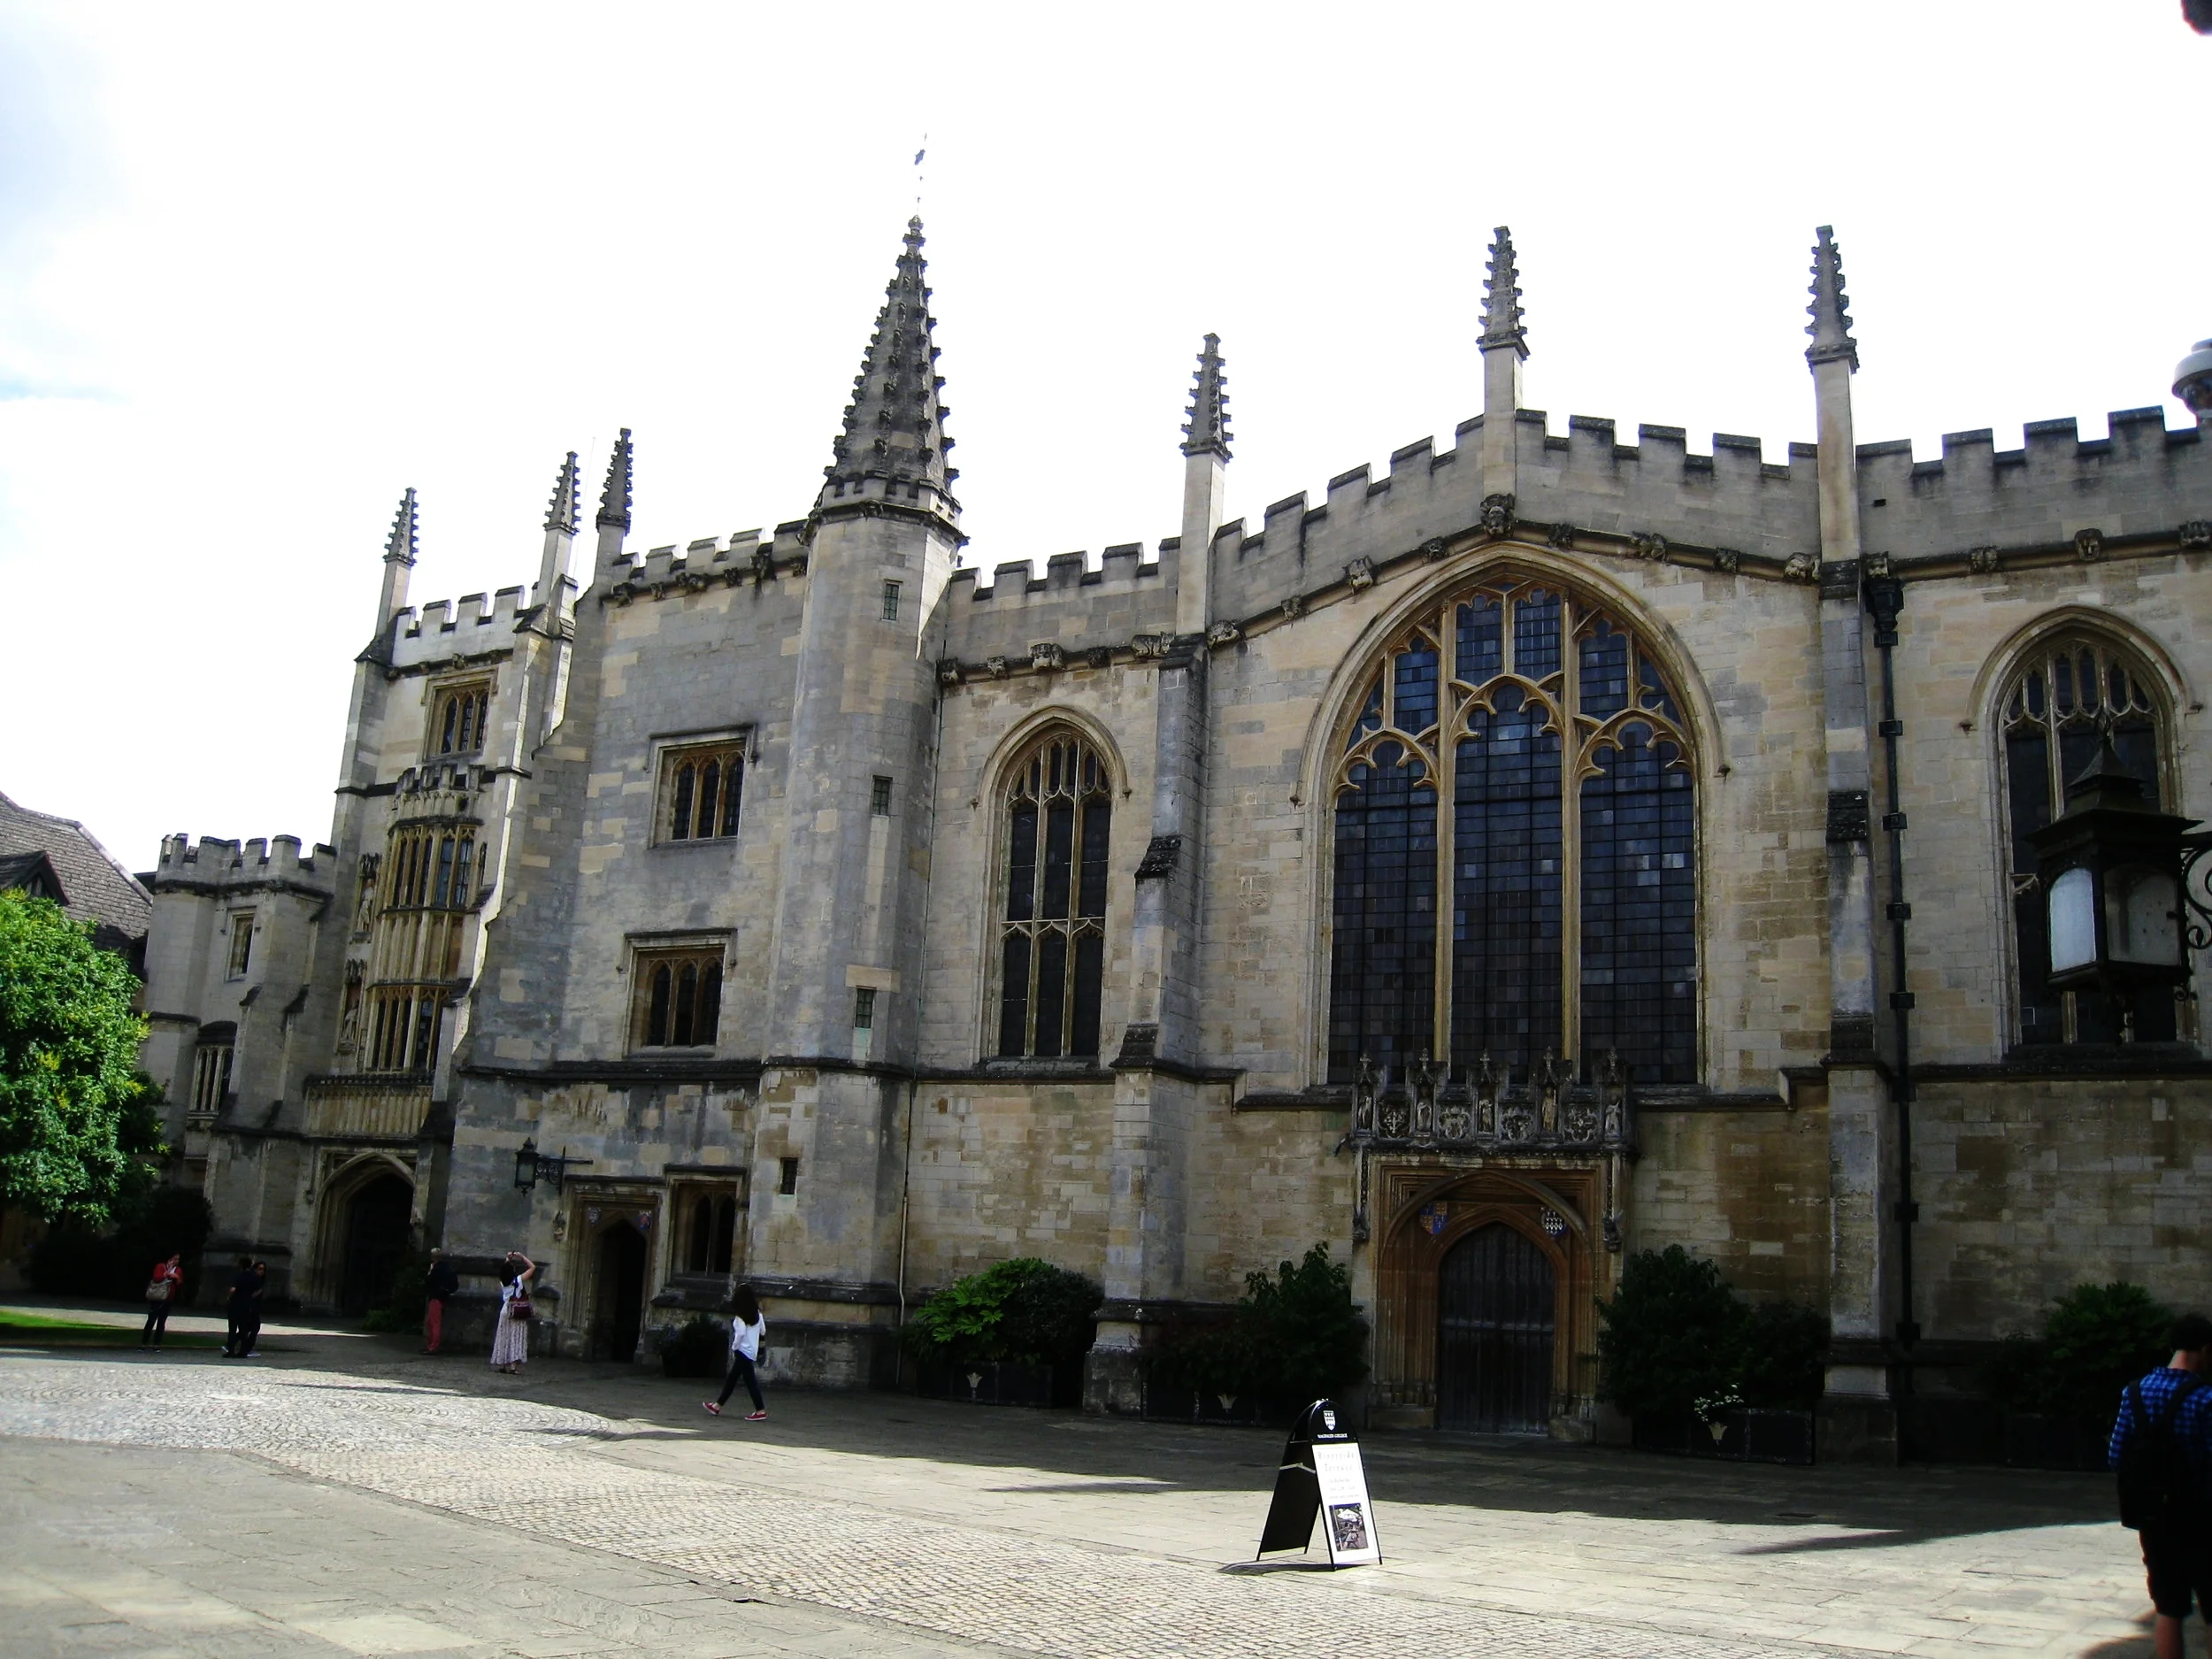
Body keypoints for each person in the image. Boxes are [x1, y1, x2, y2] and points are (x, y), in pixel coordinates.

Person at [2110, 1312, 2212, 1659]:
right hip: (2200, 1517)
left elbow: (2116, 1454)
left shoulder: (2134, 1392)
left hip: (2154, 1517)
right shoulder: (2205, 1398)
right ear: (2204, 1349)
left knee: (2168, 1607)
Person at [703, 1284, 767, 1421]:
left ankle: (760, 1410)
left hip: (742, 1351)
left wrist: (734, 1347)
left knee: (750, 1382)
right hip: (752, 1351)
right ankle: (717, 1405)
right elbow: (763, 1331)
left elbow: (740, 1334)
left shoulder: (740, 1317)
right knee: (732, 1379)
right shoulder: (758, 1315)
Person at [489, 1251, 534, 1374]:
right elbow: (532, 1267)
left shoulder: (503, 1281)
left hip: (505, 1309)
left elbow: (505, 1268)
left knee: (504, 1336)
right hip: (517, 1309)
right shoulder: (518, 1280)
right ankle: (513, 1366)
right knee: (515, 1337)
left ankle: (502, 1364)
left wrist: (508, 1258)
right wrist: (522, 1257)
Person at [141, 1254, 183, 1347]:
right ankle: (144, 1343)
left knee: (162, 1321)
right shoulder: (160, 1266)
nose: (176, 1261)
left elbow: (179, 1284)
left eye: (177, 1259)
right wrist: (167, 1273)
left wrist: (177, 1277)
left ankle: (157, 1344)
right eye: (174, 1259)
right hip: (157, 1297)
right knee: (151, 1320)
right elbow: (156, 1278)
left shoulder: (178, 1270)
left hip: (169, 1298)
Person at [423, 1247, 459, 1354]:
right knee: (431, 1321)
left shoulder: (436, 1269)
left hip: (435, 1297)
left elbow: (429, 1281)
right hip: (442, 1297)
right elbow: (454, 1284)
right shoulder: (447, 1268)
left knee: (434, 1323)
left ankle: (433, 1347)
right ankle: (431, 1345)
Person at [220, 1256, 258, 1357]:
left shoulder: (239, 1276)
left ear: (241, 1265)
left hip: (235, 1304)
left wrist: (228, 1297)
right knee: (243, 1329)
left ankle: (231, 1351)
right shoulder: (253, 1277)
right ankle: (243, 1352)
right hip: (246, 1305)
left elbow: (233, 1289)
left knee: (232, 1329)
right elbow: (257, 1290)